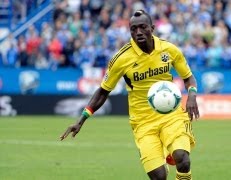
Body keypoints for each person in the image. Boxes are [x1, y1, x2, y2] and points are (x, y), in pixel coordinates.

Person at [60, 10, 199, 180]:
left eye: (143, 27)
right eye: (133, 29)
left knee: (182, 159)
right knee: (159, 177)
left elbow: (188, 77)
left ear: (152, 28)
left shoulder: (169, 50)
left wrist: (191, 95)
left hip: (172, 115)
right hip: (143, 122)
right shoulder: (121, 59)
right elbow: (103, 91)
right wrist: (81, 120)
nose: (138, 32)